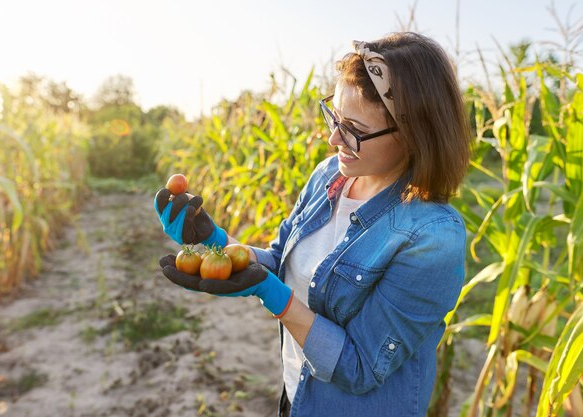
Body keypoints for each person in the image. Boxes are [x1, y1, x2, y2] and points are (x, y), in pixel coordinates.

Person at [154, 31, 472, 417]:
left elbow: (360, 368)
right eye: (335, 116)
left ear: (414, 134)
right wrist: (212, 240)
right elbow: (279, 258)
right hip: (298, 397)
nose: (333, 137)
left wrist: (273, 296)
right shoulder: (329, 177)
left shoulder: (432, 237)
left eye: (354, 129)